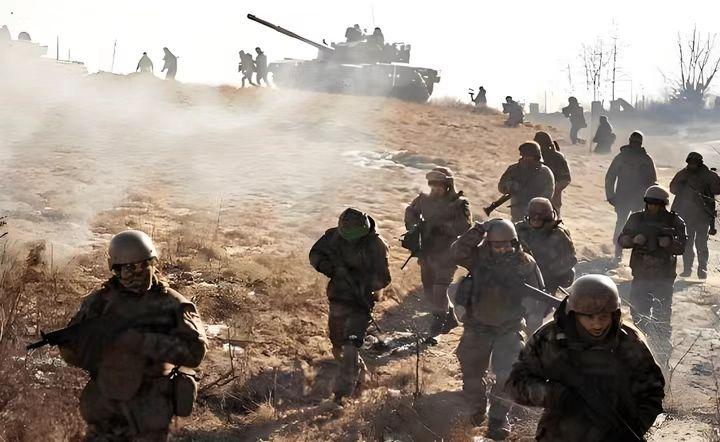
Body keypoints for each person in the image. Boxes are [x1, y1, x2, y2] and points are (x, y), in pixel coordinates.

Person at [59, 230, 207, 441]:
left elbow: (195, 353)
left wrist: (143, 341)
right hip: (106, 404)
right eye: (124, 270)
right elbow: (73, 354)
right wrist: (89, 344)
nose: (132, 276)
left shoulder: (173, 304)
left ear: (152, 263)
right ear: (115, 270)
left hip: (150, 407)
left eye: (139, 267)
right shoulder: (100, 302)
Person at [506, 274, 665, 442]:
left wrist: (636, 428)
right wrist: (555, 394)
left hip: (616, 432)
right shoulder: (550, 338)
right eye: (589, 317)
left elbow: (653, 391)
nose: (597, 324)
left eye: (604, 317)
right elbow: (515, 384)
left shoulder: (629, 340)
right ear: (574, 313)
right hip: (560, 434)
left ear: (614, 314)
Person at [451, 219, 544, 439]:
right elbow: (456, 253)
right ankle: (476, 407)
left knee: (508, 375)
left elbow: (539, 295)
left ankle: (498, 418)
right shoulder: (477, 258)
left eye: (507, 244)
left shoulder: (525, 263)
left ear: (514, 242)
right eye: (497, 245)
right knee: (471, 373)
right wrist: (477, 230)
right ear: (488, 244)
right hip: (477, 326)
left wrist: (530, 312)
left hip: (509, 328)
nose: (502, 249)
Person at [309, 208, 391, 404]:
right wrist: (331, 269)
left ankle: (342, 393)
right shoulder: (334, 237)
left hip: (360, 303)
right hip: (338, 298)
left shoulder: (376, 245)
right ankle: (358, 369)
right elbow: (315, 255)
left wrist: (360, 279)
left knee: (351, 345)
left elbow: (384, 279)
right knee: (338, 346)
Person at [618, 185, 687, 368]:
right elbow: (622, 239)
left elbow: (682, 246)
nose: (653, 207)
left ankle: (662, 357)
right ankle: (641, 352)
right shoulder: (636, 219)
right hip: (641, 275)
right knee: (637, 314)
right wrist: (633, 240)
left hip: (664, 278)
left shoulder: (675, 221)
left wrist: (669, 243)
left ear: (663, 204)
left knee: (661, 317)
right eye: (650, 203)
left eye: (657, 204)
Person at [405, 167, 472, 339]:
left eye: (439, 186)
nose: (435, 189)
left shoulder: (459, 203)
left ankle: (436, 329)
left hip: (447, 253)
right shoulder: (423, 200)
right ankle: (450, 319)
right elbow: (410, 211)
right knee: (429, 290)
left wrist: (446, 227)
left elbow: (465, 226)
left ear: (448, 186)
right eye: (432, 185)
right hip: (427, 252)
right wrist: (414, 226)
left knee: (440, 291)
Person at [516, 197, 577, 331]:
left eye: (541, 216)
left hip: (546, 284)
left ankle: (533, 340)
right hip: (520, 279)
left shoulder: (559, 234)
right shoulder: (518, 229)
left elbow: (571, 259)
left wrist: (551, 269)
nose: (536, 219)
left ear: (548, 216)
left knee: (535, 319)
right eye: (533, 215)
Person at [605, 131, 657, 261]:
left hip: (639, 198)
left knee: (639, 226)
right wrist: (610, 195)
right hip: (623, 196)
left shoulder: (646, 159)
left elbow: (653, 180)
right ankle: (618, 252)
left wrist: (651, 200)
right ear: (629, 141)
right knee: (621, 223)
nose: (635, 144)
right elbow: (610, 177)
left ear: (641, 143)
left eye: (637, 142)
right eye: (633, 141)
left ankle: (637, 255)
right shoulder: (621, 157)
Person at [670, 152, 720, 279]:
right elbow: (672, 188)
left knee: (701, 243)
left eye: (694, 162)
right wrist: (682, 185)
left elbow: (718, 189)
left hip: (703, 214)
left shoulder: (709, 175)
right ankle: (687, 269)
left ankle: (702, 268)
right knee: (687, 242)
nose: (692, 165)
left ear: (699, 163)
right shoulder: (683, 174)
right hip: (686, 215)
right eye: (690, 162)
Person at [498, 141, 555, 222]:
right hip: (517, 212)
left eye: (530, 156)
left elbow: (548, 192)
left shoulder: (544, 172)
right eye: (525, 155)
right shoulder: (514, 169)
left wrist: (535, 205)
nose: (527, 158)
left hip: (537, 215)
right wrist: (509, 186)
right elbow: (501, 187)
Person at [533, 131, 571, 214]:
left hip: (552, 201)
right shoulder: (534, 157)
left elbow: (565, 179)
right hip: (534, 200)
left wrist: (553, 191)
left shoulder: (557, 157)